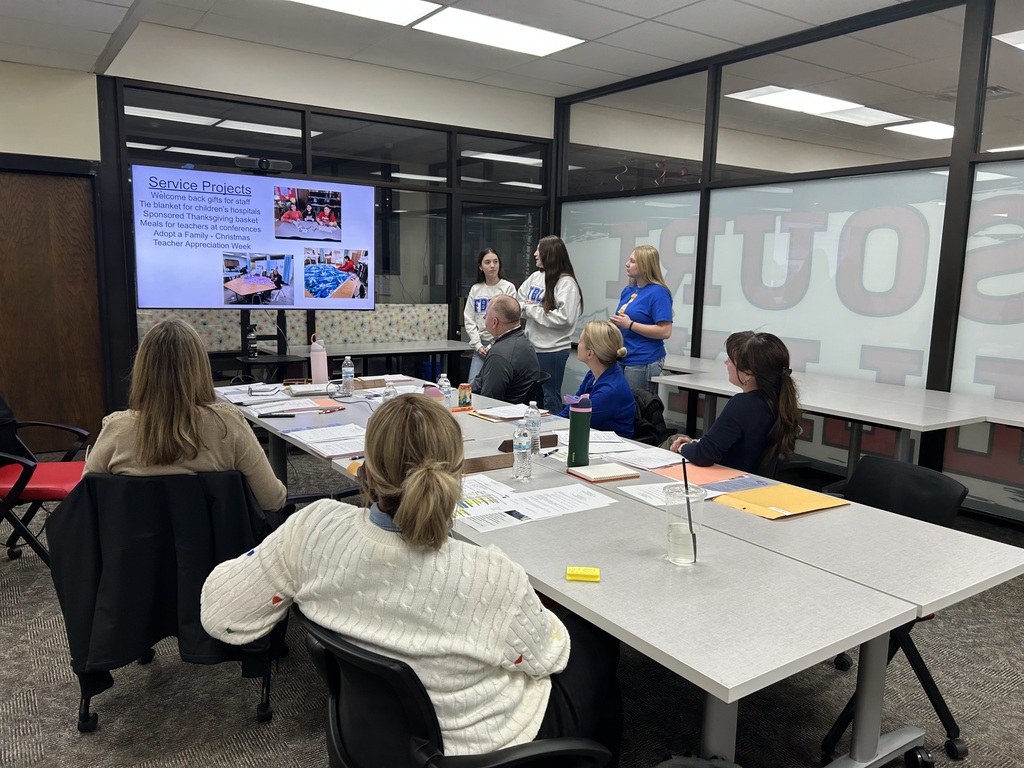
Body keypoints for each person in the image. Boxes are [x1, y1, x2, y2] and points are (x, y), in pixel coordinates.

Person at [200, 395, 621, 759]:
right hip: (483, 748)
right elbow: (545, 660)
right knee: (595, 638)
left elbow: (222, 614)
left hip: (369, 738)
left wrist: (283, 571)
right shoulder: (491, 575)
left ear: (365, 472)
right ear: (457, 476)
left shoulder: (312, 529)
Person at [84, 319, 287, 511]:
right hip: (226, 547)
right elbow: (273, 500)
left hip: (131, 548)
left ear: (142, 371)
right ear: (201, 369)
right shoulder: (227, 426)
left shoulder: (116, 430)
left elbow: (86, 502)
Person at [670, 330, 800, 474]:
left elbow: (703, 455)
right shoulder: (778, 400)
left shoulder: (743, 404)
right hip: (757, 482)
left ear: (748, 374)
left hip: (729, 481)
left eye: (731, 360)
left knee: (673, 441)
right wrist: (698, 444)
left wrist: (683, 447)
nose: (726, 362)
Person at [517, 235, 583, 413]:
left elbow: (564, 318)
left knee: (549, 395)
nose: (535, 253)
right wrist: (531, 308)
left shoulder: (566, 283)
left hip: (552, 350)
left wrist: (532, 310)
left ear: (550, 254)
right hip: (532, 348)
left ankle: (553, 431)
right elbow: (518, 301)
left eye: (539, 249)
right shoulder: (535, 277)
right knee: (532, 396)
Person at [608, 245, 673, 394]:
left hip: (643, 360)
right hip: (622, 357)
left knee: (639, 409)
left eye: (632, 261)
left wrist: (630, 325)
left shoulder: (658, 292)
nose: (627, 264)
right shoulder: (628, 290)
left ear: (645, 266)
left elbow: (665, 331)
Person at [558, 321, 635, 438]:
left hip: (611, 448)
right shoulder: (593, 375)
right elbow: (572, 407)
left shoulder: (610, 390)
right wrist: (552, 422)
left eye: (581, 341)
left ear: (590, 354)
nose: (578, 343)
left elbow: (577, 420)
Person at [471, 294, 540, 404]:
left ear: (494, 322)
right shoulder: (525, 343)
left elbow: (488, 401)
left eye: (485, 316)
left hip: (497, 415)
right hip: (518, 411)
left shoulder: (499, 355)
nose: (484, 319)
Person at [464, 248, 517, 383]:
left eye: (495, 261)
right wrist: (478, 345)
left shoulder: (508, 288)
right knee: (472, 384)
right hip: (480, 346)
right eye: (487, 262)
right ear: (480, 267)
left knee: (495, 384)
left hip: (502, 345)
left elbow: (510, 321)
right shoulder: (476, 289)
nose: (492, 266)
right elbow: (469, 319)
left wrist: (492, 346)